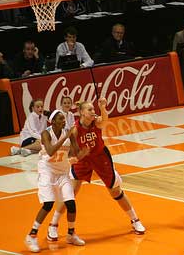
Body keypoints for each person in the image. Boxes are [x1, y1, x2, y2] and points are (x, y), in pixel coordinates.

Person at [48, 98, 146, 238]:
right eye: (90, 110)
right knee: (70, 193)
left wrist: (103, 107)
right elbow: (70, 151)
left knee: (115, 191)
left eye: (94, 109)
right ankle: (53, 225)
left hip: (100, 157)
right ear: (81, 112)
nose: (93, 112)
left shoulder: (97, 122)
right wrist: (73, 158)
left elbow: (105, 120)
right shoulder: (75, 130)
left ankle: (135, 220)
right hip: (84, 160)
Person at [24, 110, 89, 253]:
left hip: (63, 172)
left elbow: (74, 153)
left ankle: (71, 234)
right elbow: (51, 151)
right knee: (48, 204)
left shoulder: (69, 133)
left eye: (64, 119)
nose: (64, 121)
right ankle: (31, 235)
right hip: (47, 171)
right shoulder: (46, 134)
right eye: (60, 119)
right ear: (52, 121)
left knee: (71, 203)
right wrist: (64, 137)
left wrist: (81, 154)